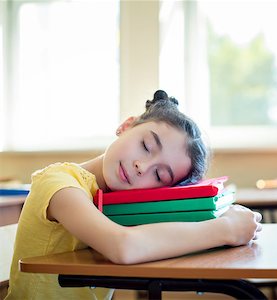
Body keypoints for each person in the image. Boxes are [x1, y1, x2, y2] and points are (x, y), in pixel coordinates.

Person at [6, 90, 263, 300]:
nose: (142, 167)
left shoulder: (126, 205)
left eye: (160, 176)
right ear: (126, 126)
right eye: (146, 146)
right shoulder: (59, 182)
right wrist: (226, 229)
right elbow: (124, 247)